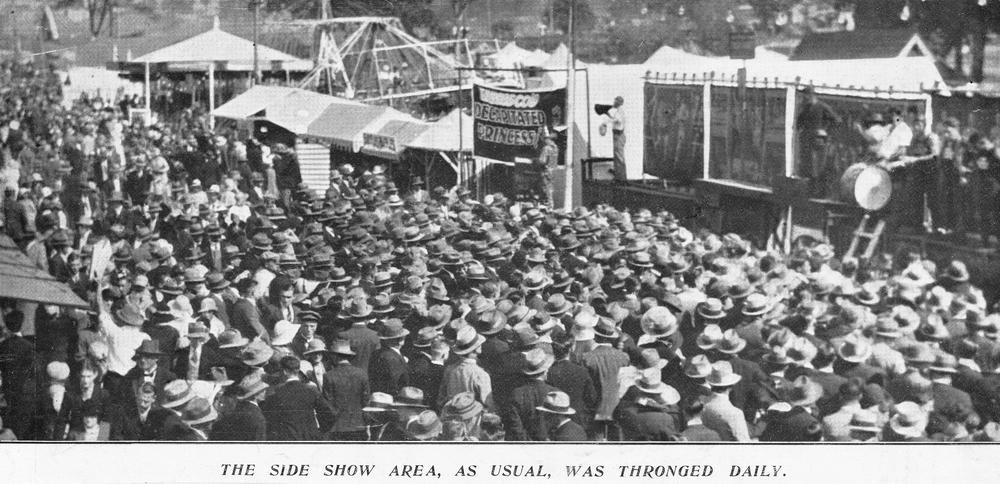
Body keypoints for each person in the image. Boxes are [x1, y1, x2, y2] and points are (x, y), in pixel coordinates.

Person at [260, 356, 335, 440]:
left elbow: (270, 423)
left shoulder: (275, 395)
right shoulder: (311, 391)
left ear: (284, 371)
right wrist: (320, 431)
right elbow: (330, 413)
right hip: (311, 439)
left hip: (288, 440)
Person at [600, 96, 627, 182]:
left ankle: (621, 178)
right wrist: (608, 115)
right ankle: (619, 175)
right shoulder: (619, 111)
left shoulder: (620, 111)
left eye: (615, 101)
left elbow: (617, 120)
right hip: (617, 135)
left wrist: (605, 122)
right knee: (617, 155)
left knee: (619, 156)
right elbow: (615, 119)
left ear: (618, 102)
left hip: (619, 135)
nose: (613, 103)